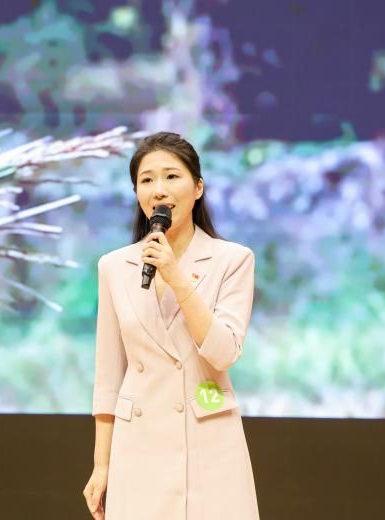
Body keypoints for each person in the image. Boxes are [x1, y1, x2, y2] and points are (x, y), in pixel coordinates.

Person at [83, 132, 260, 519]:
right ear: (137, 194)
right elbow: (109, 378)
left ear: (198, 188)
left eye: (171, 176)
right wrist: (101, 465)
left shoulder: (232, 260)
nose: (159, 190)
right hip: (138, 446)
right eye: (146, 180)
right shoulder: (114, 266)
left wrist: (176, 277)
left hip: (208, 440)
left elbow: (223, 353)